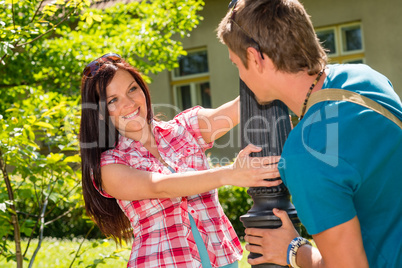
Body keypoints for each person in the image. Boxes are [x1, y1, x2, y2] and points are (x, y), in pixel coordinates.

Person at [217, 0, 402, 267]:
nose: (241, 76)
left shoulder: (307, 153)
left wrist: (294, 250)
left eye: (237, 64)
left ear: (255, 58)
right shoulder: (364, 78)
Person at [79, 53, 282, 268]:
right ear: (100, 113)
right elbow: (159, 187)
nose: (129, 103)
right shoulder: (108, 165)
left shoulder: (184, 128)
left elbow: (235, 108)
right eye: (113, 100)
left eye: (132, 89)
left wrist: (268, 68)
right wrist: (229, 174)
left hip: (222, 260)